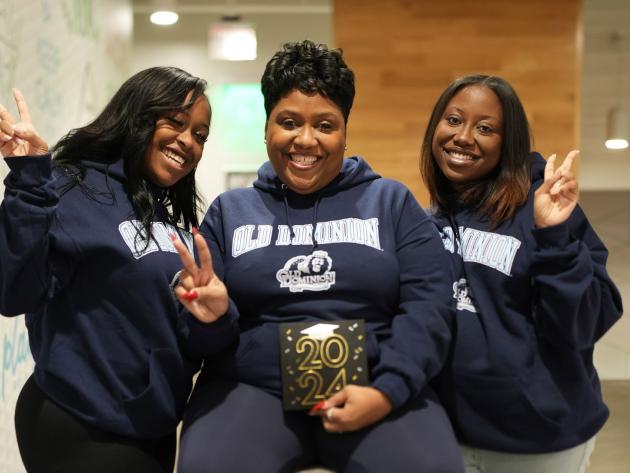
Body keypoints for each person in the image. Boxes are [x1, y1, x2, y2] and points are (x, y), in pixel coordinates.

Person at [177, 40, 464, 473]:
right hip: (253, 390)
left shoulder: (391, 203)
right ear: (267, 126)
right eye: (289, 122)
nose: (305, 140)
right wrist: (210, 316)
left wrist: (387, 391)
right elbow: (203, 341)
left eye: (325, 125)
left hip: (373, 385)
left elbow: (429, 307)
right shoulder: (230, 212)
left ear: (345, 130)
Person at [0, 67, 238, 472]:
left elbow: (186, 336)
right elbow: (12, 292)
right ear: (138, 116)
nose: (188, 141)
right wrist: (28, 184)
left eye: (200, 135)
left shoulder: (164, 215)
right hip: (78, 422)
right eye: (176, 123)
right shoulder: (72, 187)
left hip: (151, 425)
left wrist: (215, 317)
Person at [420, 74, 623, 473]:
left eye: (485, 128)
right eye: (453, 120)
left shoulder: (544, 209)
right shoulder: (432, 220)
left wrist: (554, 237)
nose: (463, 137)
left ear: (508, 142)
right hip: (448, 436)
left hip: (539, 441)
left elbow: (584, 324)